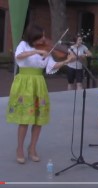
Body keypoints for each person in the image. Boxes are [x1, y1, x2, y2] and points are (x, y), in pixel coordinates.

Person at [6, 23, 74, 164]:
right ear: (33, 37)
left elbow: (51, 67)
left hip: (39, 83)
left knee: (38, 119)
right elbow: (18, 56)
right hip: (24, 84)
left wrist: (66, 61)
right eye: (41, 36)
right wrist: (36, 52)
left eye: (44, 35)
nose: (44, 39)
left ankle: (32, 148)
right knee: (25, 119)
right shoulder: (23, 45)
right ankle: (19, 149)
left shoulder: (46, 50)